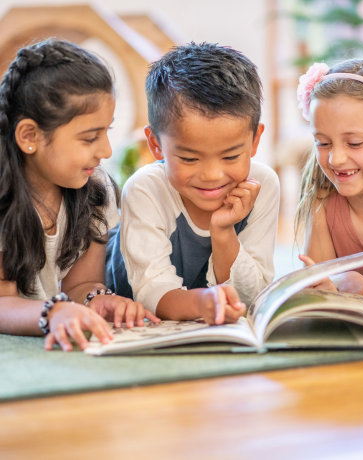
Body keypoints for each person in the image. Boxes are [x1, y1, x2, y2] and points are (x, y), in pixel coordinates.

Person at [0, 39, 159, 352]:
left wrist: (97, 299)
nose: (106, 151)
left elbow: (80, 284)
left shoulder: (94, 188)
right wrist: (54, 312)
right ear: (29, 136)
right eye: (90, 138)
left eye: (106, 132)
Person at [106, 42, 280, 325]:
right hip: (125, 294)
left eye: (230, 156)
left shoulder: (262, 185)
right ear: (156, 144)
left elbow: (252, 296)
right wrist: (206, 302)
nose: (212, 175)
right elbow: (151, 293)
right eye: (189, 158)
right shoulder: (145, 189)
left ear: (255, 140)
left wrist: (223, 232)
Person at [295, 59, 363, 310]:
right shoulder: (321, 197)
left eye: (354, 143)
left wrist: (360, 297)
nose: (335, 159)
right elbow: (316, 281)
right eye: (323, 143)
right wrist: (343, 278)